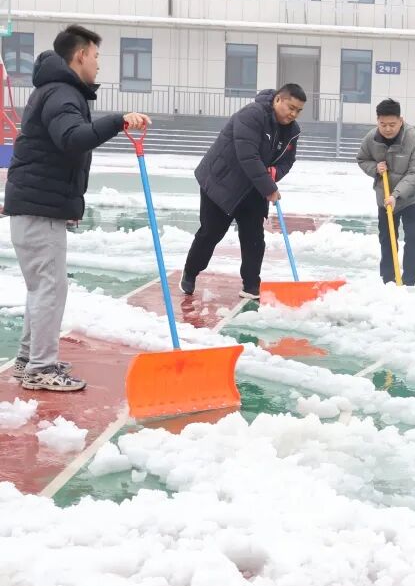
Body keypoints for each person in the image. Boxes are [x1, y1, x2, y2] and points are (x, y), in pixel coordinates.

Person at [5, 25, 151, 392]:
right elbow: (72, 139)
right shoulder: (62, 94)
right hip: (39, 208)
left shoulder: (56, 91)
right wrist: (118, 121)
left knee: (43, 287)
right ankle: (41, 367)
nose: (99, 65)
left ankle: (28, 359)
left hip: (38, 205)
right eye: (97, 56)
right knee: (50, 289)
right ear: (81, 54)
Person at [181, 83, 305, 299]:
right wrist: (269, 187)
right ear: (278, 100)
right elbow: (247, 156)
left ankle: (250, 284)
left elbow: (288, 160)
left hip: (254, 188)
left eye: (298, 110)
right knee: (211, 233)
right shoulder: (252, 115)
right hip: (223, 182)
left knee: (254, 238)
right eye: (290, 107)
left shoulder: (292, 131)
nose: (293, 114)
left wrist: (274, 174)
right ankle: (190, 272)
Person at [357, 99, 415, 286]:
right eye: (383, 124)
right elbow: (362, 159)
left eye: (392, 124)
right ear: (377, 121)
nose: (387, 129)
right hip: (384, 197)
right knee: (387, 239)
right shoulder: (371, 138)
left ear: (401, 120)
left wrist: (396, 195)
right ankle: (388, 281)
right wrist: (375, 168)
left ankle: (409, 282)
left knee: (413, 236)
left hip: (412, 196)